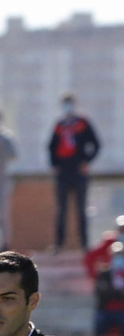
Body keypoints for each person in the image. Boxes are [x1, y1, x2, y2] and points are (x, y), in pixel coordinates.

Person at [48, 93, 102, 251]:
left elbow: (96, 144)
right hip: (63, 173)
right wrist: (55, 164)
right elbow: (51, 147)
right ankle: (59, 244)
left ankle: (84, 244)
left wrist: (87, 161)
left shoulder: (83, 123)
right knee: (61, 210)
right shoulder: (59, 125)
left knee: (81, 209)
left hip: (79, 172)